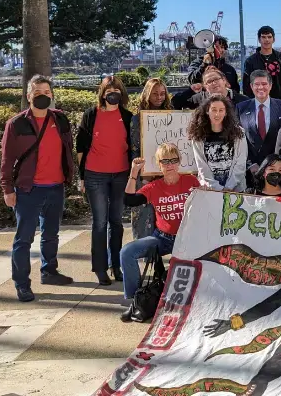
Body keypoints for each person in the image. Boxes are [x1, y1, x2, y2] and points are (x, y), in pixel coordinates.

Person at [0, 75, 75, 302]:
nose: (43, 95)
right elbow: (6, 159)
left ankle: (49, 271)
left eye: (47, 91)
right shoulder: (16, 124)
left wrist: (70, 176)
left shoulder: (60, 119)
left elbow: (68, 149)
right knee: (24, 239)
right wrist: (7, 189)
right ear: (28, 95)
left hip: (56, 186)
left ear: (52, 94)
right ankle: (22, 284)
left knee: (51, 234)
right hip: (28, 189)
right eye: (38, 92)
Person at [119, 145, 200, 322]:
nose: (170, 165)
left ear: (179, 162)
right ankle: (136, 302)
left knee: (176, 272)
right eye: (165, 161)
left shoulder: (191, 182)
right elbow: (129, 200)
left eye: (173, 160)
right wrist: (134, 172)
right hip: (161, 238)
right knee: (127, 253)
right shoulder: (154, 187)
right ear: (159, 164)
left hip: (186, 240)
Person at [77, 75, 133, 286]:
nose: (113, 93)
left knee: (117, 223)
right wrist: (81, 176)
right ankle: (100, 268)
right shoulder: (91, 115)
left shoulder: (127, 117)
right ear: (102, 93)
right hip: (95, 175)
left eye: (117, 90)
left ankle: (116, 265)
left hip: (121, 174)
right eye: (109, 90)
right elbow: (81, 147)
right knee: (100, 223)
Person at [130, 77, 171, 239]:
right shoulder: (136, 119)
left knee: (166, 217)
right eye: (155, 94)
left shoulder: (171, 115)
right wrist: (142, 172)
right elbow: (134, 150)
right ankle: (144, 255)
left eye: (162, 93)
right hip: (145, 175)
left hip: (167, 174)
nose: (159, 97)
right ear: (147, 94)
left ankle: (160, 257)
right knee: (144, 217)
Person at [236, 70, 281, 180]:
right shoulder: (241, 108)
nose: (260, 87)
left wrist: (278, 163)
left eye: (264, 84)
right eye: (257, 84)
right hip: (252, 170)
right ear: (251, 86)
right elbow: (238, 140)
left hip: (278, 168)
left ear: (270, 86)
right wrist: (250, 164)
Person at [189, 95, 248, 192]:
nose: (217, 114)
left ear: (226, 113)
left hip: (236, 189)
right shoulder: (198, 136)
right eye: (214, 110)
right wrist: (217, 188)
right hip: (210, 190)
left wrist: (229, 187)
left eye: (221, 110)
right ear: (207, 111)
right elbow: (202, 166)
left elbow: (241, 162)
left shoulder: (238, 133)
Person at [172, 66, 248, 110]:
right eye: (209, 81)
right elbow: (175, 103)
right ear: (205, 86)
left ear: (224, 80)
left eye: (216, 79)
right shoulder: (199, 98)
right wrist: (190, 91)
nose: (214, 83)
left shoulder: (243, 101)